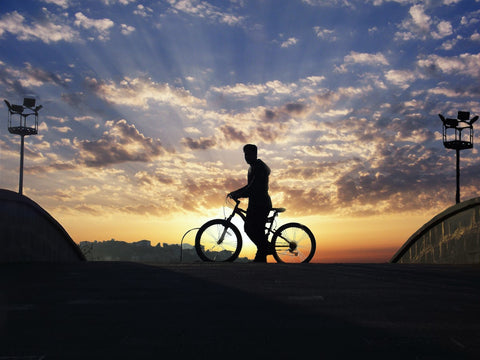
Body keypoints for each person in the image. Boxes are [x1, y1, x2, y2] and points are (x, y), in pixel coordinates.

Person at [228, 144, 272, 262]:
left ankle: (264, 250)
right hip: (255, 204)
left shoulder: (259, 167)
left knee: (252, 228)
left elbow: (254, 187)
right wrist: (236, 192)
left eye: (248, 154)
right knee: (252, 229)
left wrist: (238, 194)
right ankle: (262, 253)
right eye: (245, 154)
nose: (246, 157)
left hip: (261, 204)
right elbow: (249, 186)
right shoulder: (252, 167)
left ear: (255, 154)